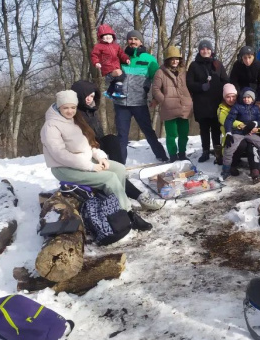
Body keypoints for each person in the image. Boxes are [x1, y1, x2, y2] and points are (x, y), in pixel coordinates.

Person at [40, 90, 152, 230]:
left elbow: (90, 144)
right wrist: (90, 167)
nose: (70, 111)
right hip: (64, 168)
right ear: (59, 106)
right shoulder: (51, 126)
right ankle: (128, 215)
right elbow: (59, 154)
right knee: (109, 178)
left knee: (119, 169)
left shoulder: (76, 120)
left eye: (73, 107)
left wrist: (101, 157)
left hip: (84, 163)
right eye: (66, 108)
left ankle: (116, 203)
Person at [71, 80, 165, 210]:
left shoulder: (90, 110)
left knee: (112, 140)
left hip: (96, 147)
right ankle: (138, 196)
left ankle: (120, 171)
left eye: (92, 96)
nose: (89, 99)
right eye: (86, 95)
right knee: (113, 172)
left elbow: (97, 135)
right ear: (78, 95)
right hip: (85, 152)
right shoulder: (74, 114)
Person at [111, 29, 168, 163]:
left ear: (140, 41)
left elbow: (157, 80)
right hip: (121, 103)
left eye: (136, 39)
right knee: (122, 136)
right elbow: (110, 75)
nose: (133, 41)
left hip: (139, 103)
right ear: (127, 41)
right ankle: (121, 163)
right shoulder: (120, 57)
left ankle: (162, 156)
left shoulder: (149, 59)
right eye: (130, 39)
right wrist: (111, 75)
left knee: (148, 132)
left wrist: (155, 98)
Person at [186, 39, 228, 163]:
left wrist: (223, 92)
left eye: (208, 49)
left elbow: (225, 80)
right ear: (199, 51)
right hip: (201, 103)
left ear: (211, 50)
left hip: (216, 102)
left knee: (216, 128)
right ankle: (205, 151)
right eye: (203, 49)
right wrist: (200, 87)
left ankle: (217, 152)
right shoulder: (194, 65)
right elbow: (189, 83)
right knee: (204, 129)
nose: (205, 51)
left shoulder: (217, 64)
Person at [217, 84, 260, 182]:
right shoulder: (237, 107)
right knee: (229, 148)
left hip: (250, 134)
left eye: (249, 97)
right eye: (244, 97)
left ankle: (258, 166)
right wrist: (228, 133)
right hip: (238, 133)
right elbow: (228, 120)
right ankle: (226, 170)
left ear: (252, 98)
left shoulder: (256, 108)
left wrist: (255, 124)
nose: (246, 99)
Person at [152, 46, 192, 162]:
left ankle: (182, 154)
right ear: (168, 60)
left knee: (184, 134)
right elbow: (155, 89)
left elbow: (190, 86)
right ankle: (173, 156)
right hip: (169, 109)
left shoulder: (184, 72)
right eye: (172, 59)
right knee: (171, 135)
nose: (175, 61)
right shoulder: (160, 72)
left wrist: (191, 99)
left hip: (185, 107)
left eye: (177, 58)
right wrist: (164, 100)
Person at [90, 24, 130, 98]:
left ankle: (109, 92)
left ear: (112, 36)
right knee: (120, 74)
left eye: (109, 35)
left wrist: (126, 59)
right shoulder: (99, 46)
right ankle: (118, 91)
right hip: (107, 68)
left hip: (116, 66)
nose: (108, 37)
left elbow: (121, 54)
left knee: (120, 77)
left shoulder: (116, 46)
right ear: (101, 37)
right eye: (105, 35)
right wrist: (96, 62)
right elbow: (94, 55)